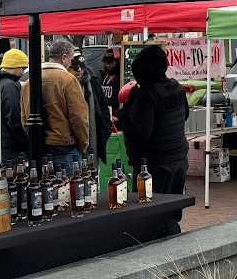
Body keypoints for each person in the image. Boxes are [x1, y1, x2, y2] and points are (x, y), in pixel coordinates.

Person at [118, 45, 188, 236]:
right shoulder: (177, 88)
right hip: (179, 160)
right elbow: (185, 116)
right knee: (171, 211)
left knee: (151, 215)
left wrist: (124, 116)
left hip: (154, 166)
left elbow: (141, 134)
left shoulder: (148, 95)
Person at [21, 39, 89, 176]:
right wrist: (83, 143)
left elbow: (25, 119)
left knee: (43, 192)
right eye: (71, 59)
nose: (71, 63)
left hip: (39, 148)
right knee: (69, 193)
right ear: (64, 57)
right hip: (65, 147)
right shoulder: (69, 80)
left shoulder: (29, 82)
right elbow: (78, 117)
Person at [0, 49, 29, 168]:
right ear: (14, 65)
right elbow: (15, 119)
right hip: (11, 148)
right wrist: (27, 143)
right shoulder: (9, 86)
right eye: (22, 68)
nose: (23, 73)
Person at [69, 53, 113, 164]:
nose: (79, 70)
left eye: (82, 66)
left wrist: (106, 130)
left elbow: (103, 107)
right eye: (75, 67)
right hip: (70, 143)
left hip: (92, 140)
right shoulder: (64, 85)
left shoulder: (92, 83)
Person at [100, 47, 122, 122]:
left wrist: (117, 115)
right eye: (106, 63)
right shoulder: (105, 75)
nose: (108, 65)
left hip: (115, 117)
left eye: (111, 63)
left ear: (117, 61)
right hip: (106, 114)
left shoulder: (121, 77)